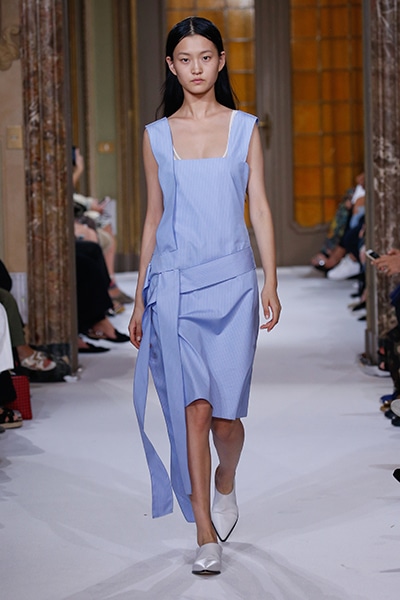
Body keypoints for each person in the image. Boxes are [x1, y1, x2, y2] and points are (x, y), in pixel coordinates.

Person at [128, 16, 281, 576]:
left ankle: (226, 478)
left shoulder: (244, 128)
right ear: (172, 66)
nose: (196, 67)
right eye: (185, 58)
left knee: (225, 420)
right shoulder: (156, 136)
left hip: (234, 286)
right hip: (175, 286)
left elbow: (258, 206)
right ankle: (203, 531)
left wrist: (270, 279)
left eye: (205, 57)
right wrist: (139, 296)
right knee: (192, 410)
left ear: (221, 61)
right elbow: (153, 217)